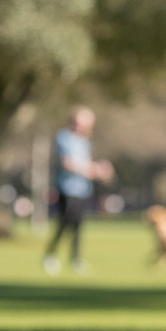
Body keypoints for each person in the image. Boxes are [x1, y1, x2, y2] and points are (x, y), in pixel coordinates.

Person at [42, 106, 114, 275]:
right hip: (67, 189)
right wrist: (93, 170)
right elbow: (68, 163)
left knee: (79, 226)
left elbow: (86, 165)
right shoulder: (63, 137)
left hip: (82, 189)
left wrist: (99, 170)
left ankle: (75, 258)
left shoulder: (84, 142)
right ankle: (51, 255)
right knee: (66, 222)